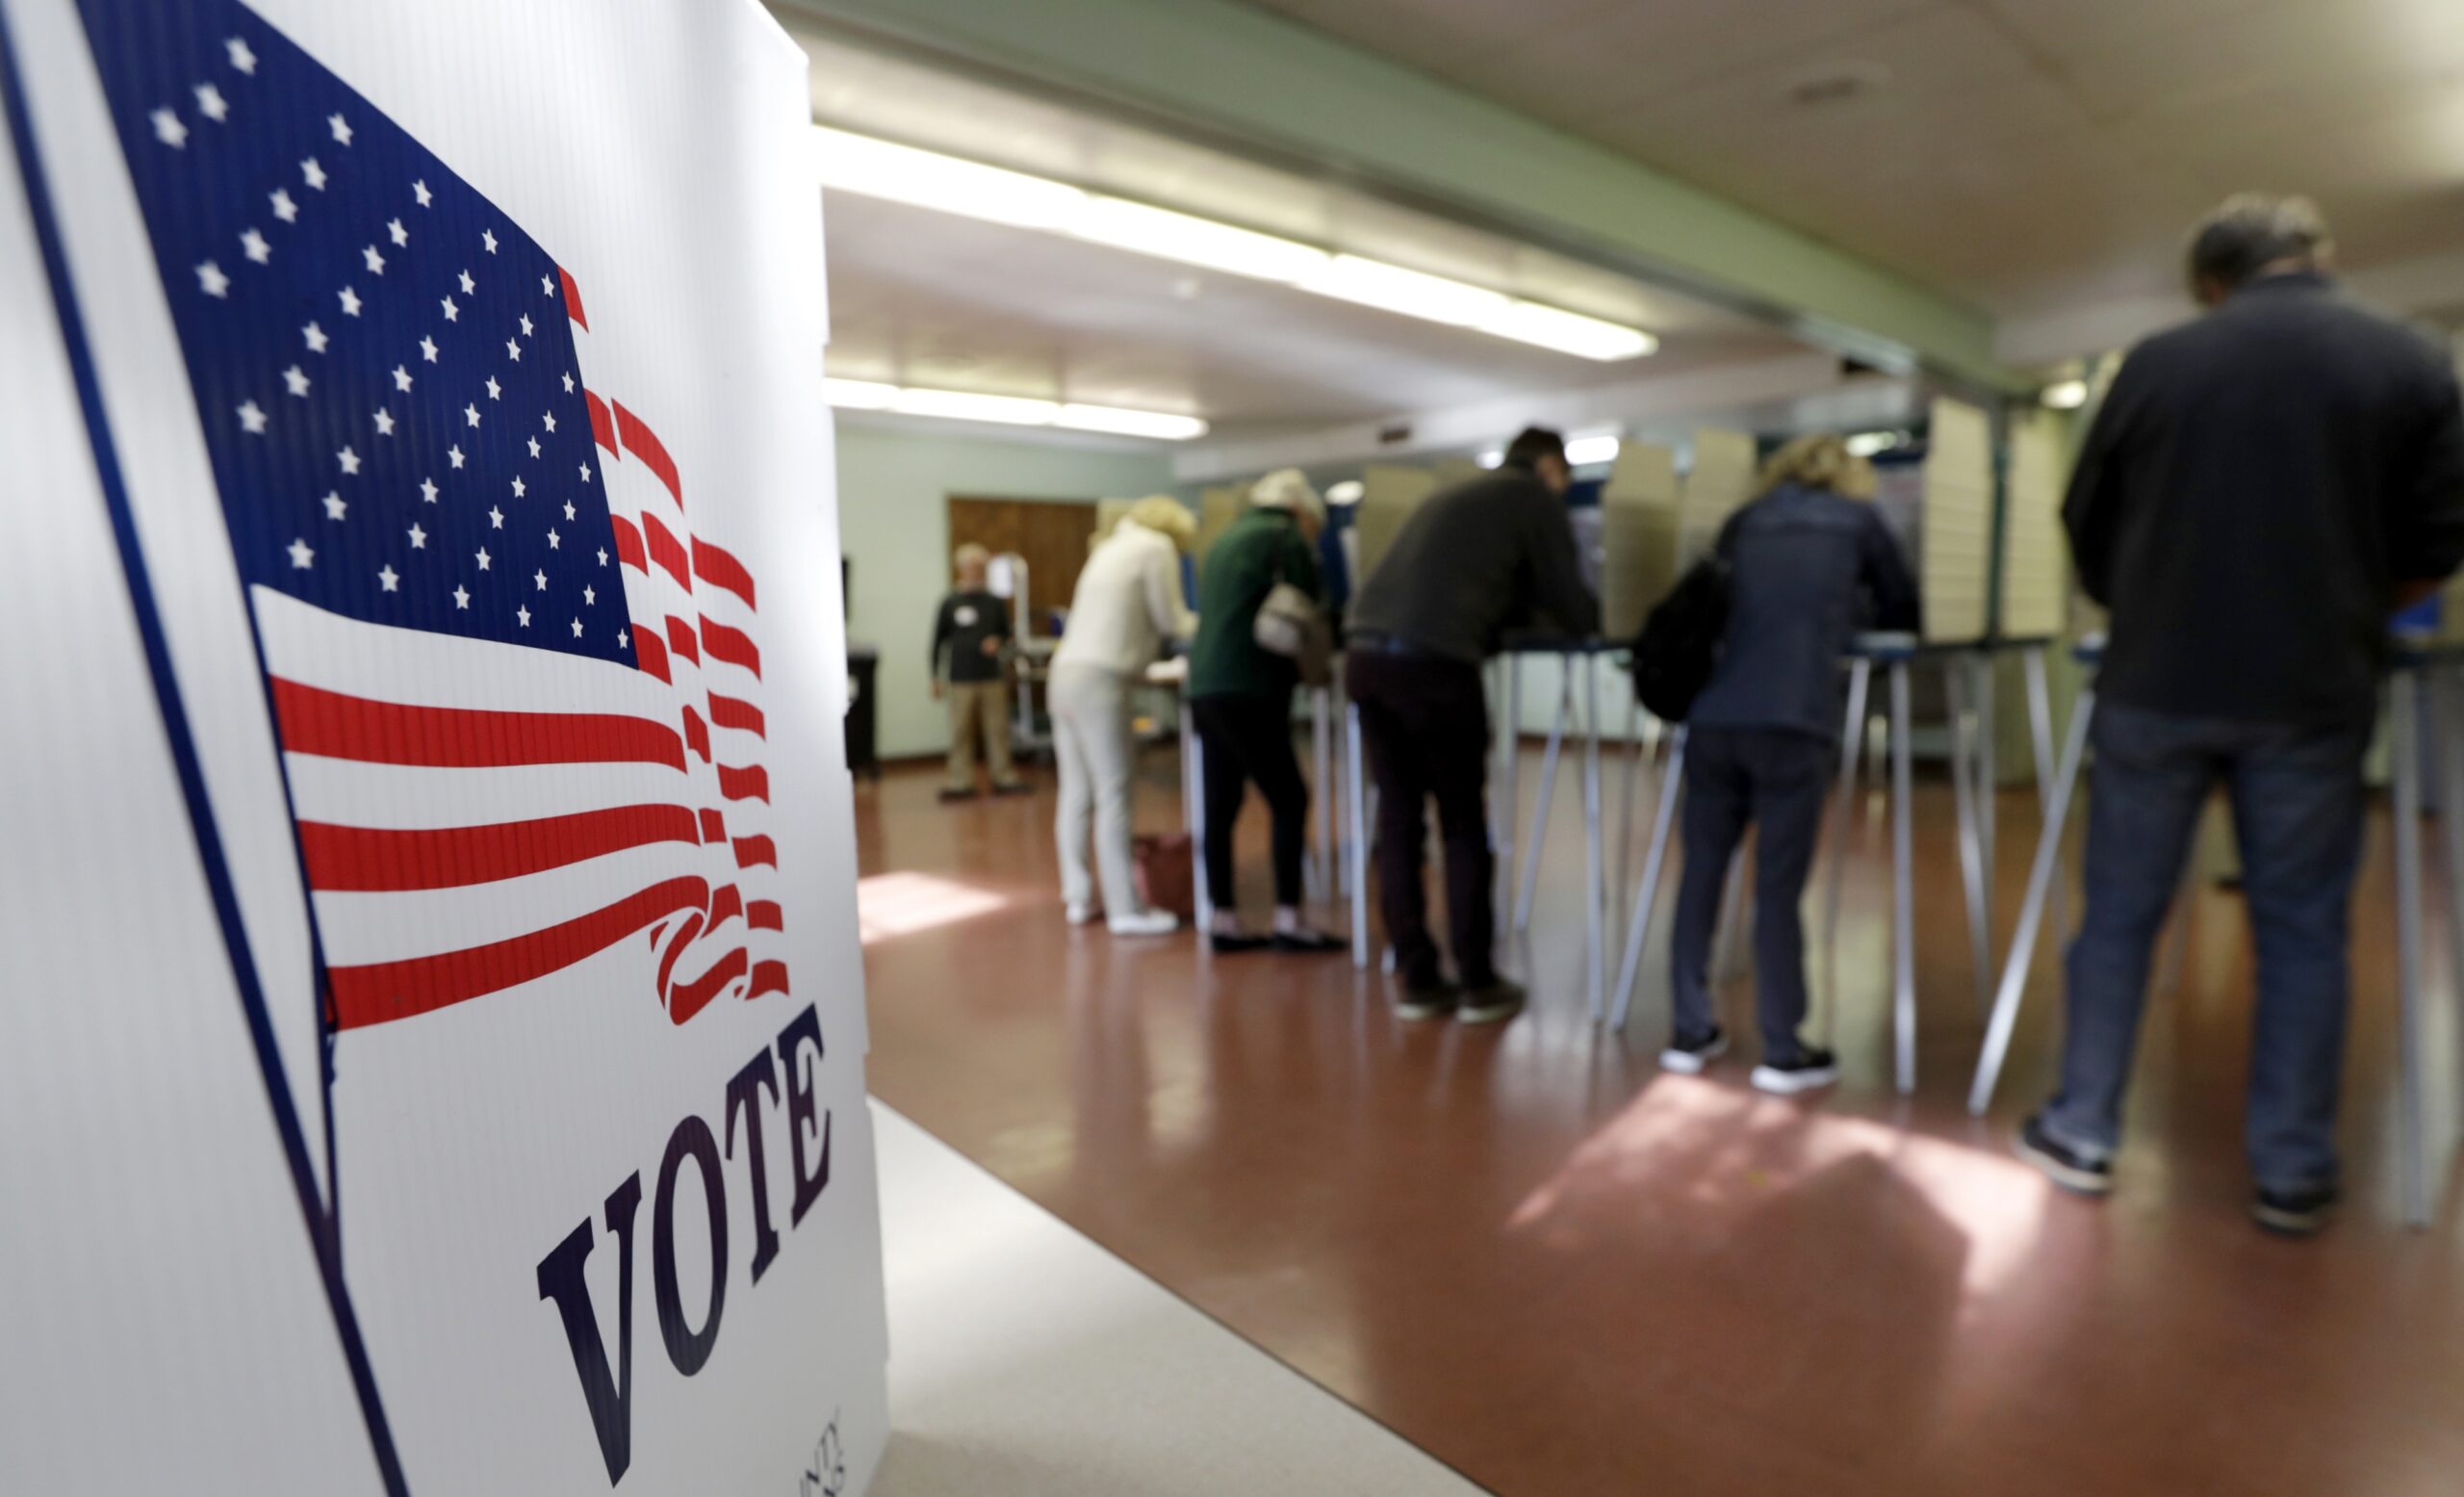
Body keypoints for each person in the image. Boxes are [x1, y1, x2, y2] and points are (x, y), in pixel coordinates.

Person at [2015, 195, 2464, 1235]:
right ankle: (2293, 1169)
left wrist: (2151, 601)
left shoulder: (2158, 363)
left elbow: (2086, 520)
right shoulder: (2406, 361)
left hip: (2155, 686)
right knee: (2301, 930)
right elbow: (2442, 532)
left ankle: (2081, 1128)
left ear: (2211, 285)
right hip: (2312, 693)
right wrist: (2354, 600)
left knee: (2120, 917)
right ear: (2319, 258)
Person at [1661, 433, 1917, 1094]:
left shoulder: (1745, 520)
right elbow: (1903, 608)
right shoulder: (1859, 521)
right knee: (1776, 886)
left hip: (1713, 717)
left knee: (1702, 872)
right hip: (1792, 718)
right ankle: (1782, 1048)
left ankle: (1690, 1032)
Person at [1347, 427, 1600, 1024]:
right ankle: (1478, 983)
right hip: (1435, 665)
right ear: (1548, 465)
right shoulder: (1533, 498)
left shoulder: (1455, 495)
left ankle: (1417, 980)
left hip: (1365, 658)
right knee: (1461, 821)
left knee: (1400, 818)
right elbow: (1570, 602)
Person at [1188, 470, 1345, 955]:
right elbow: (1303, 609)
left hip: (1205, 687)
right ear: (1301, 511)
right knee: (1290, 799)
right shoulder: (1283, 536)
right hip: (1251, 687)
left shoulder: (1223, 536)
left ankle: (1223, 918)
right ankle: (1289, 920)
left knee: (1220, 804)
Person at [1049, 497, 1198, 936]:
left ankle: (1077, 897)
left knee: (1076, 792)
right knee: (1115, 792)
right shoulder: (1156, 548)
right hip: (1102, 679)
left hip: (1065, 673)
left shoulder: (1108, 548)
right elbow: (1171, 619)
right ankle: (1125, 909)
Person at [931, 543, 1028, 801]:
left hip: (991, 676)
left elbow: (1007, 635)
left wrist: (997, 641)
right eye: (970, 567)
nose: (975, 571)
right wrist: (935, 678)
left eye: (979, 567)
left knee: (997, 729)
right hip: (960, 677)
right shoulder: (950, 602)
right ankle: (961, 781)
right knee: (960, 731)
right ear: (961, 569)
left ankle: (1004, 776)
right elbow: (937, 641)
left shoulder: (994, 602)